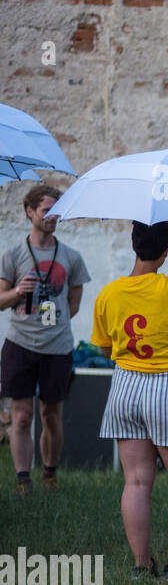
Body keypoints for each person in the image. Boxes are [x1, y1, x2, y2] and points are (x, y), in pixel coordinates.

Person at [92, 221, 168, 580]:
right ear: (165, 252)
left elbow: (104, 347)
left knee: (137, 482)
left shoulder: (108, 294)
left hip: (125, 388)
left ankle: (142, 565)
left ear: (133, 244)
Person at [0, 185, 90, 494]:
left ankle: (50, 474)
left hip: (58, 347)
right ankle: (23, 480)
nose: (53, 217)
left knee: (51, 415)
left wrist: (54, 323)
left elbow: (74, 303)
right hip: (19, 344)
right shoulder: (12, 255)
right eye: (46, 210)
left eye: (56, 212)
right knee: (22, 416)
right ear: (29, 211)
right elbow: (0, 300)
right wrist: (17, 293)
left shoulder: (71, 257)